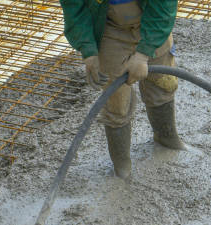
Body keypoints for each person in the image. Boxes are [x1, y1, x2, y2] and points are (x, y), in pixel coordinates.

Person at [60, 0, 185, 179]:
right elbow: (74, 8)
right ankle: (121, 164)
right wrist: (88, 50)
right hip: (111, 28)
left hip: (151, 18)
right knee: (116, 101)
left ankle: (167, 137)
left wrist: (143, 54)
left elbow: (163, 7)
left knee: (163, 83)